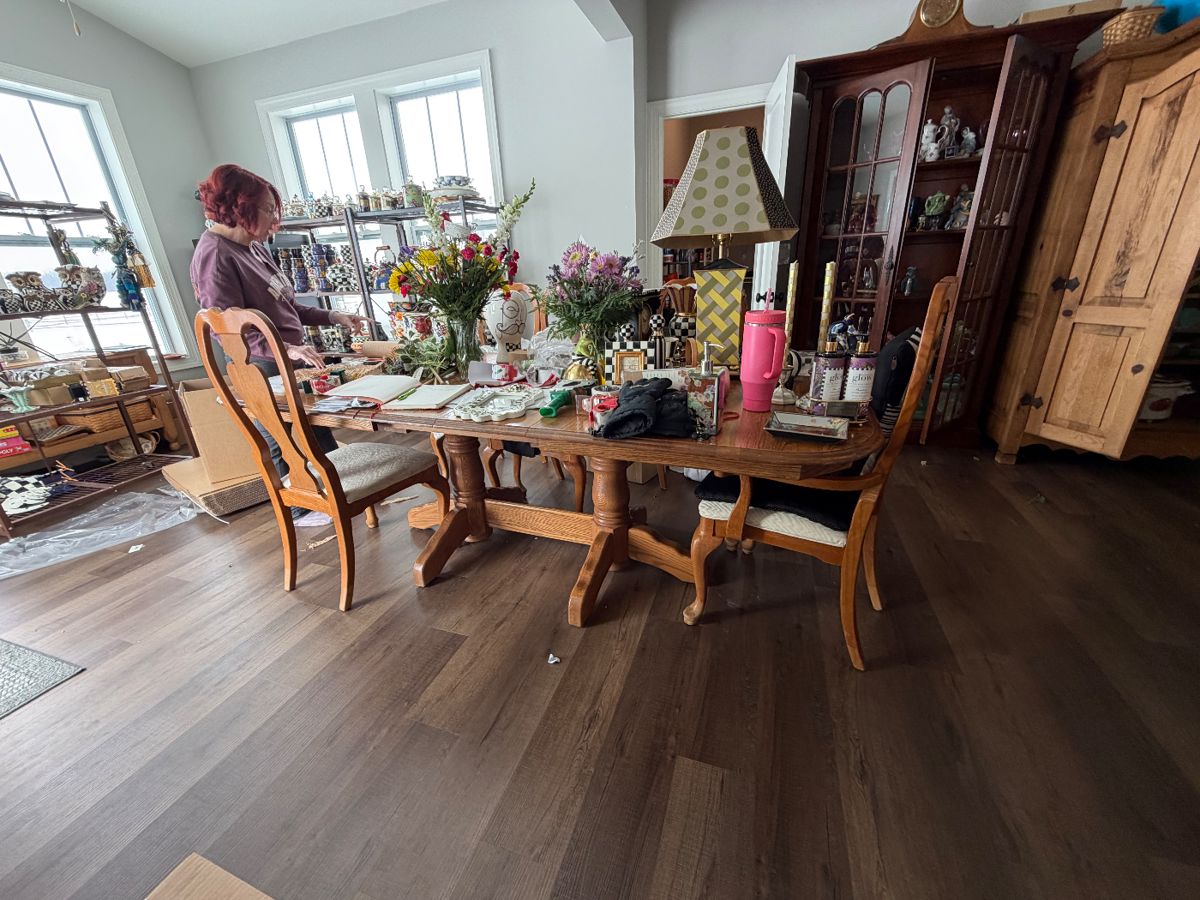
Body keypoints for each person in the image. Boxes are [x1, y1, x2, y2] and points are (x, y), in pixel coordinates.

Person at [190, 164, 371, 524]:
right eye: (268, 210)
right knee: (281, 439)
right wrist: (284, 350)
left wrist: (333, 317)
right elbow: (228, 327)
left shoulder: (254, 248)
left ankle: (337, 494)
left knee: (315, 428)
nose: (275, 220)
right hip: (260, 364)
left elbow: (284, 307)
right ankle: (304, 510)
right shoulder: (215, 255)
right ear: (240, 208)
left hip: (291, 357)